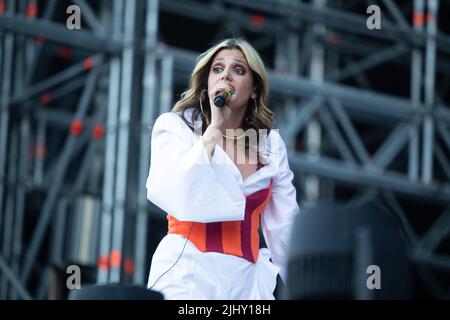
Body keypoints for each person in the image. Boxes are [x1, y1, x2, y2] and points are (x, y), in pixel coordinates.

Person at [146, 38, 300, 300]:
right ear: (207, 83)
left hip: (247, 282)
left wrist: (309, 286)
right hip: (187, 271)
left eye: (238, 70)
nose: (226, 75)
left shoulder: (270, 146)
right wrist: (213, 131)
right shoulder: (177, 128)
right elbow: (175, 190)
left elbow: (286, 228)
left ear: (253, 89)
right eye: (218, 69)